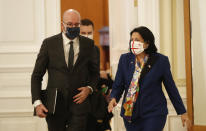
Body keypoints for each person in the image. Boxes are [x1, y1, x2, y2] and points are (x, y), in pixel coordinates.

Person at [108, 26, 191, 131]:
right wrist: (113, 98)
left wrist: (182, 112)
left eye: (137, 40)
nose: (133, 43)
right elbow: (118, 84)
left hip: (153, 113)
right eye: (131, 40)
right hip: (130, 114)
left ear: (147, 43)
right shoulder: (125, 59)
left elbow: (171, 88)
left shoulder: (160, 61)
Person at [31, 9, 99, 131]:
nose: (73, 27)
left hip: (79, 104)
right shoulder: (49, 44)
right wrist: (37, 102)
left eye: (76, 24)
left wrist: (89, 89)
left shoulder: (89, 44)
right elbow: (37, 75)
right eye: (69, 24)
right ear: (62, 25)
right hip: (54, 104)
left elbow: (95, 73)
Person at [80, 18, 113, 131]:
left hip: (93, 96)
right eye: (83, 33)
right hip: (78, 98)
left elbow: (93, 72)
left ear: (93, 33)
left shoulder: (95, 49)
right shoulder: (73, 49)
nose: (86, 35)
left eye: (89, 33)